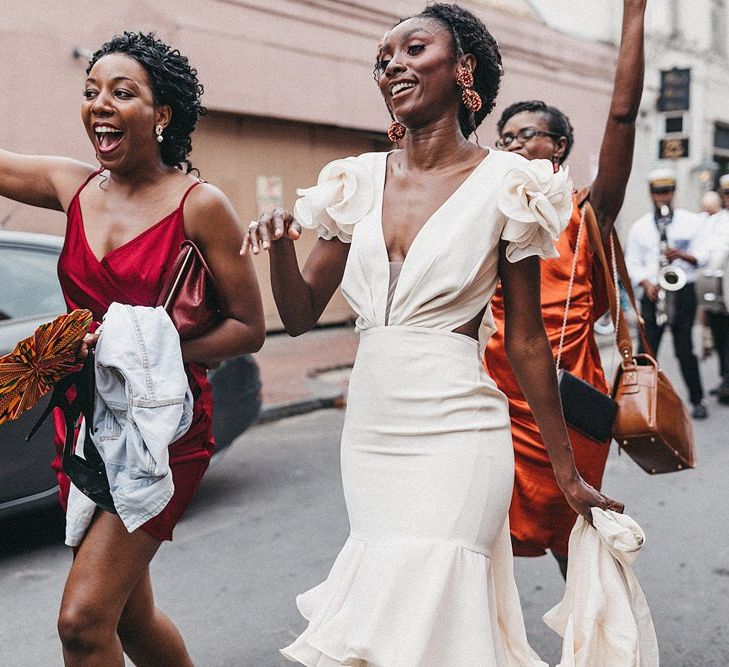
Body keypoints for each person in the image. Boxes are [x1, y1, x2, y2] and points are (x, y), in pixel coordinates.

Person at [243, 4, 622, 664]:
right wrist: (279, 245)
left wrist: (565, 469)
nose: (392, 63)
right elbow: (301, 314)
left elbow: (527, 340)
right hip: (373, 431)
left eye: (413, 48)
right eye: (383, 57)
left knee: (436, 610)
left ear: (463, 68)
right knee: (388, 624)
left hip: (459, 429)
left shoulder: (512, 184)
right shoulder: (350, 182)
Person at [0, 32, 264, 665]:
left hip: (163, 431)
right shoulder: (73, 186)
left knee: (83, 622)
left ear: (162, 113)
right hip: (84, 424)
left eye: (122, 92)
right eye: (91, 92)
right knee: (130, 618)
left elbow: (249, 328)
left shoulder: (201, 207)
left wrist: (139, 346)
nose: (100, 105)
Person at [484, 0, 647, 578]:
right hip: (489, 404)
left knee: (573, 539)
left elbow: (623, 117)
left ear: (558, 147)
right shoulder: (486, 216)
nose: (514, 145)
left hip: (566, 403)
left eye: (529, 134)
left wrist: (634, 15)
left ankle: (596, 642)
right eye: (505, 137)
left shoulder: (587, 213)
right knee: (477, 541)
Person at [625, 168, 708, 418]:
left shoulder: (691, 221)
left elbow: (704, 255)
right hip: (653, 295)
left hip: (683, 293)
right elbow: (632, 262)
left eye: (667, 191)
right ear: (651, 195)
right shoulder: (639, 228)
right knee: (647, 351)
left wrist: (683, 255)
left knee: (684, 350)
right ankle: (640, 405)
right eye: (658, 193)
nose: (663, 197)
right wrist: (646, 283)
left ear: (674, 192)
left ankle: (697, 400)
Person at [698, 174, 729, 402]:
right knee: (720, 338)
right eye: (726, 194)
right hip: (719, 294)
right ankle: (725, 378)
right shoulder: (716, 220)